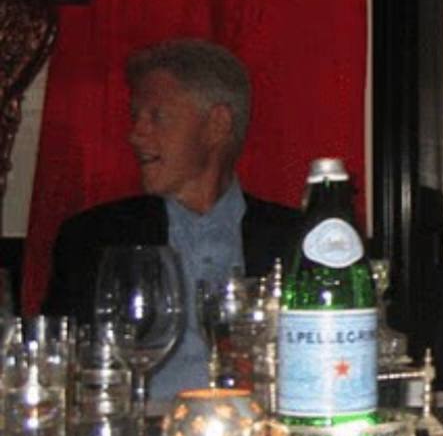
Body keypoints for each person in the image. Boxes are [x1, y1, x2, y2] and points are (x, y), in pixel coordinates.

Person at [46, 38, 300, 399]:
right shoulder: (93, 238)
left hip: (262, 428)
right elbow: (61, 369)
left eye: (156, 116)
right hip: (138, 431)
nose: (135, 135)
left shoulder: (298, 240)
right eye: (136, 117)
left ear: (217, 125)